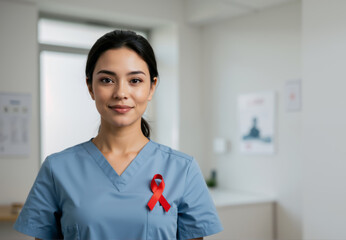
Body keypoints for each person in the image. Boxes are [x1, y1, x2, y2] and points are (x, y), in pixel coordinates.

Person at [14, 30, 223, 240]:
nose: (121, 93)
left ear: (152, 87)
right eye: (107, 80)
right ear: (90, 87)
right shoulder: (56, 169)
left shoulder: (182, 170)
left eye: (135, 81)